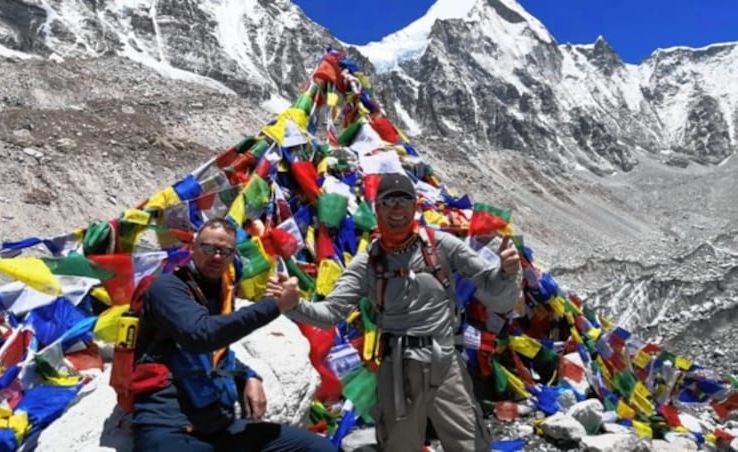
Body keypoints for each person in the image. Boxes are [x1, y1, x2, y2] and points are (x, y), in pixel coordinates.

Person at [268, 173, 522, 452]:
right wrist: (294, 305)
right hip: (396, 369)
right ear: (376, 209)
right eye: (388, 202)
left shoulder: (442, 246)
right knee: (399, 446)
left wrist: (507, 274)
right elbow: (331, 312)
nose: (397, 209)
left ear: (415, 207)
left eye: (404, 201)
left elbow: (494, 293)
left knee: (469, 445)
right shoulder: (368, 263)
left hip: (445, 364)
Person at [131, 218, 333, 452]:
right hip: (169, 428)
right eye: (208, 248)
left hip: (217, 428)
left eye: (225, 251)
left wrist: (248, 375)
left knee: (317, 448)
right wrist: (274, 306)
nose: (216, 256)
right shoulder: (167, 289)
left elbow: (216, 353)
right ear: (193, 247)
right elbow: (200, 335)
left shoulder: (219, 295)